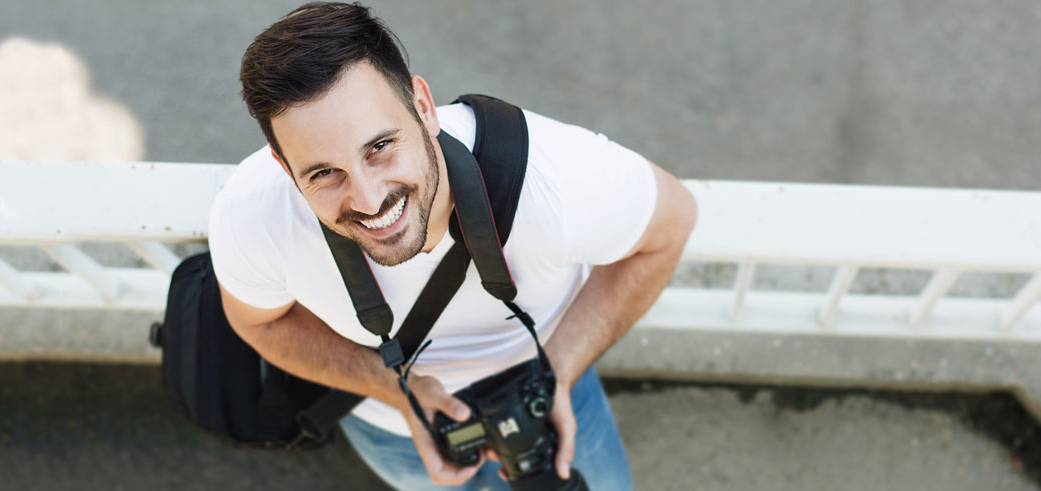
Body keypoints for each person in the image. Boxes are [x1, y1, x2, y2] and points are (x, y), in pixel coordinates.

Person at [211, 2, 697, 489]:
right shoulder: (253, 216)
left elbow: (673, 222)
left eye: (380, 147)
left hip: (547, 393)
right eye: (323, 173)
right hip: (393, 428)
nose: (369, 199)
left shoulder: (553, 177)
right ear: (283, 167)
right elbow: (258, 322)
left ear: (423, 107)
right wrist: (396, 393)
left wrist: (560, 373)